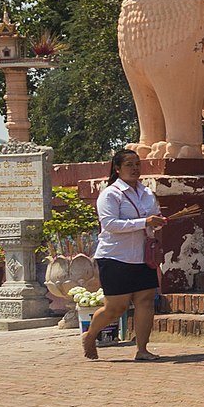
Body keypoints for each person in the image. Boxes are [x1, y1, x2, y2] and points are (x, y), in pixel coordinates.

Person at [84, 147, 169, 361]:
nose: (134, 168)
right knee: (116, 307)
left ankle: (142, 349)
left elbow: (153, 218)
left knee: (146, 301)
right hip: (115, 256)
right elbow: (110, 224)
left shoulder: (147, 193)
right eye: (129, 164)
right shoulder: (110, 194)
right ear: (117, 168)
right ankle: (91, 335)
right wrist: (144, 222)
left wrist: (156, 223)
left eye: (137, 164)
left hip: (142, 256)